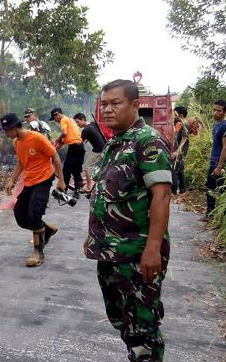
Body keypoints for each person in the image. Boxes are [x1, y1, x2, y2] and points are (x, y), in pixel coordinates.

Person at [84, 80, 172, 362]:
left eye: (115, 103)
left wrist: (152, 248)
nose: (107, 110)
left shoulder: (148, 142)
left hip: (136, 253)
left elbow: (162, 196)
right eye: (104, 104)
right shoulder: (115, 142)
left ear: (135, 105)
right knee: (122, 319)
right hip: (110, 251)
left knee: (143, 326)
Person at [2, 113, 66, 267]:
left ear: (15, 127)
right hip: (29, 181)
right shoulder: (17, 142)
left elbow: (55, 156)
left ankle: (38, 252)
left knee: (34, 214)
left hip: (44, 179)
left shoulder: (37, 138)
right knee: (20, 215)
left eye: (7, 130)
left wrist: (61, 180)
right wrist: (12, 179)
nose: (6, 134)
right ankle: (47, 230)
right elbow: (21, 162)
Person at [205, 99, 226, 217]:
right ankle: (213, 213)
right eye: (214, 110)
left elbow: (225, 147)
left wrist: (219, 166)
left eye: (219, 111)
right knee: (211, 188)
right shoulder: (216, 125)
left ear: (225, 112)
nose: (215, 113)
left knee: (220, 189)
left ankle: (218, 215)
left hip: (219, 163)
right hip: (214, 161)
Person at [50, 107, 84, 198]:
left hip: (74, 147)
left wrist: (58, 139)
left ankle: (63, 191)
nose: (55, 120)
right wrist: (55, 147)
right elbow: (67, 138)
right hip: (80, 147)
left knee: (66, 170)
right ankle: (77, 192)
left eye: (54, 118)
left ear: (57, 114)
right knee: (76, 169)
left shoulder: (63, 120)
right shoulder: (70, 120)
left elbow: (64, 133)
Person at [73, 113, 106, 193]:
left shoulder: (85, 130)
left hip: (98, 150)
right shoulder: (92, 124)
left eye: (78, 122)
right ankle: (96, 183)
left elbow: (80, 142)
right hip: (104, 147)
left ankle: (88, 187)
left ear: (83, 120)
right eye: (76, 123)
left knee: (87, 167)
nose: (77, 124)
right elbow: (91, 136)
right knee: (100, 168)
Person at [171, 106, 190, 195]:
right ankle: (183, 189)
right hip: (180, 150)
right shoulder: (180, 123)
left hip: (180, 151)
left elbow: (184, 139)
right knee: (180, 169)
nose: (174, 116)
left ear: (181, 114)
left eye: (176, 114)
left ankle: (173, 190)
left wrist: (177, 151)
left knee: (174, 170)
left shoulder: (184, 123)